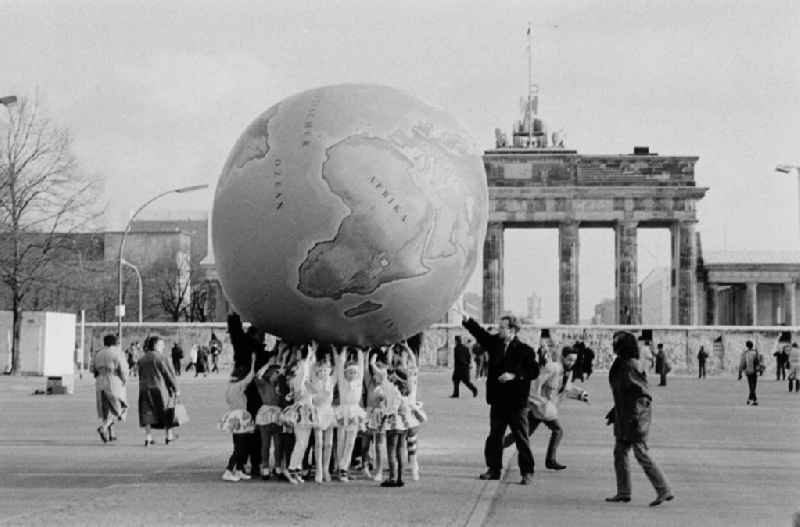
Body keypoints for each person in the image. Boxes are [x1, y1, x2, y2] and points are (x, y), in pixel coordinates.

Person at [461, 312, 539, 485]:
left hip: (516, 403)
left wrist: (514, 375)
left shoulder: (525, 350)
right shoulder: (495, 343)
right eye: (499, 327)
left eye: (502, 328)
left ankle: (527, 471)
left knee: (521, 437)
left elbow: (533, 371)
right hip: (497, 401)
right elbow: (480, 334)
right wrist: (467, 320)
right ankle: (493, 469)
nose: (499, 330)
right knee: (495, 437)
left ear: (512, 330)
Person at [605, 331, 673, 507]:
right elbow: (623, 393)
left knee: (640, 452)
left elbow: (641, 394)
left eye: (616, 342)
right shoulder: (621, 363)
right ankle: (623, 492)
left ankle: (664, 489)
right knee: (620, 452)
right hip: (625, 416)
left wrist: (635, 417)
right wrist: (615, 411)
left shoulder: (630, 365)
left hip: (635, 417)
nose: (614, 345)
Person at [502, 346, 589, 471]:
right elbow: (533, 386)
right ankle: (550, 460)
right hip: (540, 408)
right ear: (562, 357)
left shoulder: (567, 372)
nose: (571, 363)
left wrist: (580, 394)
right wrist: (540, 403)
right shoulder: (552, 368)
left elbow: (566, 388)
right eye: (569, 359)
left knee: (522, 434)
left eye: (574, 360)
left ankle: (495, 447)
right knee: (558, 430)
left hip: (546, 410)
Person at [219, 353, 256, 482]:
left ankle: (239, 470)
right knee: (240, 447)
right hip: (241, 418)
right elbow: (251, 377)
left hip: (233, 417)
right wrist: (253, 361)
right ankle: (229, 470)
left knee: (240, 445)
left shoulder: (229, 388)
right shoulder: (239, 386)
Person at [138, 335, 179, 446]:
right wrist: (175, 388)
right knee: (167, 411)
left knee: (147, 413)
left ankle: (148, 437)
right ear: (155, 345)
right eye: (161, 345)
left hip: (144, 389)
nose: (163, 347)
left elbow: (140, 375)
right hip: (159, 388)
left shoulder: (142, 359)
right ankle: (168, 436)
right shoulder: (161, 358)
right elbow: (168, 374)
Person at [333, 345, 366, 482]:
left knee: (350, 441)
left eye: (354, 372)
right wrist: (342, 352)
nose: (352, 375)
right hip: (343, 411)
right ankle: (339, 467)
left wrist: (360, 353)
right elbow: (340, 367)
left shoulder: (358, 382)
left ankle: (344, 468)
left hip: (354, 412)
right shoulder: (343, 382)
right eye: (350, 372)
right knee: (340, 439)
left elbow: (362, 368)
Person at [93, 334, 129, 443]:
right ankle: (104, 427)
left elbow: (93, 369)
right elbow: (122, 369)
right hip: (114, 380)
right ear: (115, 342)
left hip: (100, 380)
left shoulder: (98, 353)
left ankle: (111, 433)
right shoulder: (117, 352)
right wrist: (124, 380)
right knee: (120, 407)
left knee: (105, 408)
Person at [254, 361, 285, 480]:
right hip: (265, 415)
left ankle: (277, 467)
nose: (278, 374)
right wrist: (266, 364)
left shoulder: (281, 385)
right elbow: (257, 376)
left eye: (279, 372)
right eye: (276, 372)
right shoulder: (263, 384)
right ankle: (265, 468)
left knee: (278, 444)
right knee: (265, 444)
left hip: (277, 415)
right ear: (270, 373)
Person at [738, 340, 763, 405]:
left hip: (748, 372)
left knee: (751, 386)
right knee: (753, 386)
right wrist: (761, 371)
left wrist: (740, 373)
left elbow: (742, 364)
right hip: (755, 371)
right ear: (752, 345)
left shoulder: (745, 353)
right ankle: (752, 400)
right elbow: (760, 362)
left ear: (747, 346)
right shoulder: (756, 353)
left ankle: (753, 400)